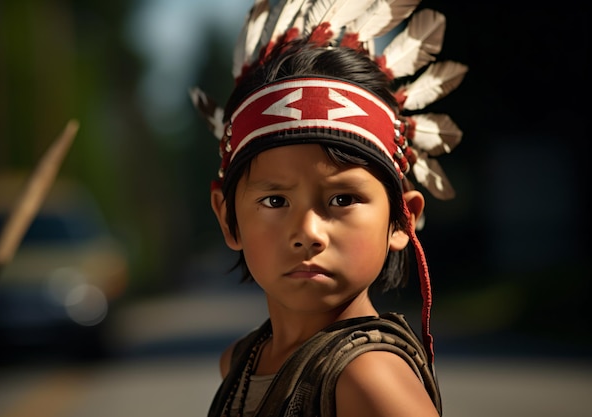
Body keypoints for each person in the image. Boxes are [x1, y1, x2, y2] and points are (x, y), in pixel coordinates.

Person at [190, 2, 466, 416]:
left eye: (342, 200)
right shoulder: (241, 362)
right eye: (274, 201)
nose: (308, 233)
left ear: (401, 218)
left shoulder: (368, 379)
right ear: (228, 217)